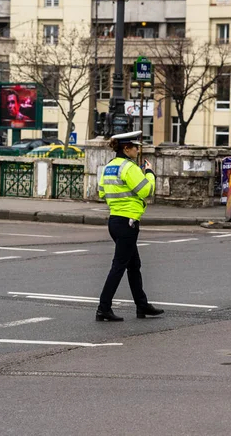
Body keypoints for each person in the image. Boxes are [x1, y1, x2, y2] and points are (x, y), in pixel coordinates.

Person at [96, 131, 164, 322]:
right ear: (126, 148)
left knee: (134, 265)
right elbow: (146, 191)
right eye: (135, 147)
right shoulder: (129, 167)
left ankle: (142, 305)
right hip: (128, 221)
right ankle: (103, 308)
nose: (137, 149)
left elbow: (102, 192)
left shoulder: (109, 167)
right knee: (119, 266)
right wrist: (149, 174)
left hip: (115, 220)